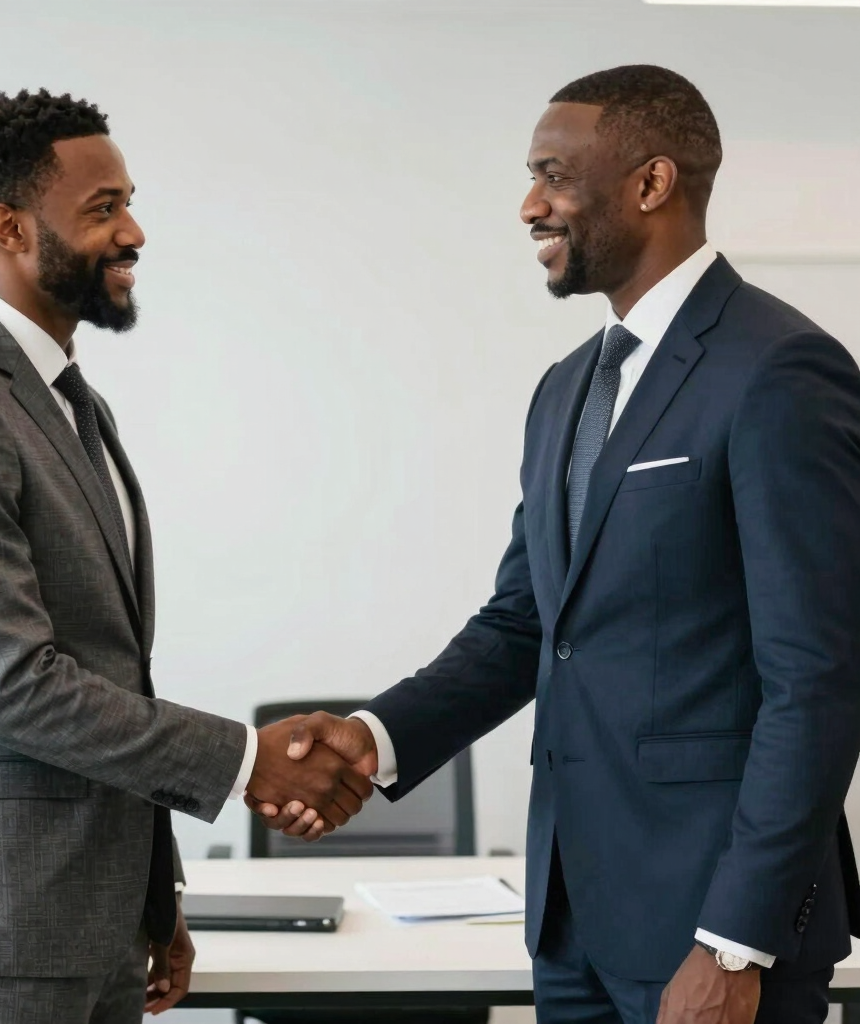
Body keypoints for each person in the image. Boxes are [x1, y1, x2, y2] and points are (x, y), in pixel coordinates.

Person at [258, 65, 860, 1023]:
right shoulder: (567, 387)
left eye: (552, 174)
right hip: (570, 922)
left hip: (710, 936)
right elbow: (525, 624)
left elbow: (819, 680)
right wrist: (370, 742)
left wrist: (735, 943)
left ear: (651, 184)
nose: (528, 204)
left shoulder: (779, 370)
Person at [0, 88, 370, 1024]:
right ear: (9, 227)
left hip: (90, 925)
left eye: (129, 201)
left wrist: (153, 897)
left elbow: (113, 672)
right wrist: (248, 759)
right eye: (103, 209)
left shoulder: (68, 402)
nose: (133, 231)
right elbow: (13, 685)